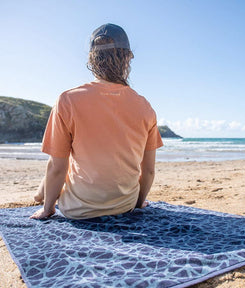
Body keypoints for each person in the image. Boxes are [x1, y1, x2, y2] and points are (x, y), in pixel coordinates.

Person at [30, 23, 163, 220]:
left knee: (61, 171)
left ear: (92, 58)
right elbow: (149, 171)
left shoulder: (68, 100)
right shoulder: (145, 107)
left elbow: (57, 167)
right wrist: (137, 203)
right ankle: (41, 192)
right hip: (124, 206)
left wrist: (48, 208)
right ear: (128, 58)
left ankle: (41, 195)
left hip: (78, 211)